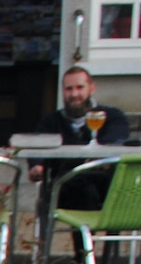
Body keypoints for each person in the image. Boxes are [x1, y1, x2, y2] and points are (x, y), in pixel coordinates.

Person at [37, 65, 129, 212]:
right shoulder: (51, 121)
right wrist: (36, 166)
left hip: (106, 184)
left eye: (80, 87)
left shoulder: (112, 116)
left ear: (91, 88)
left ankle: (106, 234)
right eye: (69, 89)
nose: (74, 94)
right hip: (66, 185)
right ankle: (87, 234)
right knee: (84, 191)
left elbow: (114, 142)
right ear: (62, 91)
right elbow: (38, 153)